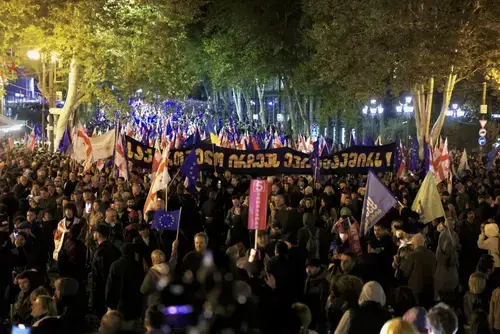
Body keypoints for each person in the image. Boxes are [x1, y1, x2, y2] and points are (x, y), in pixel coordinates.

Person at [105, 243, 145, 322]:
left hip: (119, 303)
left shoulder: (115, 265)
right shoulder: (137, 266)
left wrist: (109, 303)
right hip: (134, 303)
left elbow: (110, 285)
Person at [396, 233, 436, 308]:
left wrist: (399, 263)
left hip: (416, 291)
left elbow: (404, 273)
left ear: (414, 243)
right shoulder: (432, 255)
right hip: (430, 289)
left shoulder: (413, 256)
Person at [90, 223, 121, 317]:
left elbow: (98, 275)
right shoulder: (115, 249)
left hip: (102, 290)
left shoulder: (100, 252)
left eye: (94, 232)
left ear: (98, 234)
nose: (93, 235)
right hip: (115, 287)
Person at [141, 242, 178, 307]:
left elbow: (143, 290)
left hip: (155, 303)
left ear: (153, 260)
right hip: (168, 301)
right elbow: (174, 258)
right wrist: (174, 247)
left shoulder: (151, 273)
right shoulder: (169, 266)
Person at [434, 218, 460, 302]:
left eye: (454, 224)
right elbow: (443, 248)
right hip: (444, 265)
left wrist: (456, 247)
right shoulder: (443, 234)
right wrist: (449, 247)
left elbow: (456, 246)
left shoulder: (455, 234)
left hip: (452, 263)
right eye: (452, 224)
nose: (453, 226)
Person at [302, 258, 329, 333]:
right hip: (309, 314)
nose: (308, 270)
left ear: (318, 267)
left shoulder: (324, 283)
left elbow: (323, 303)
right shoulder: (308, 279)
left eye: (311, 267)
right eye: (307, 267)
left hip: (318, 318)